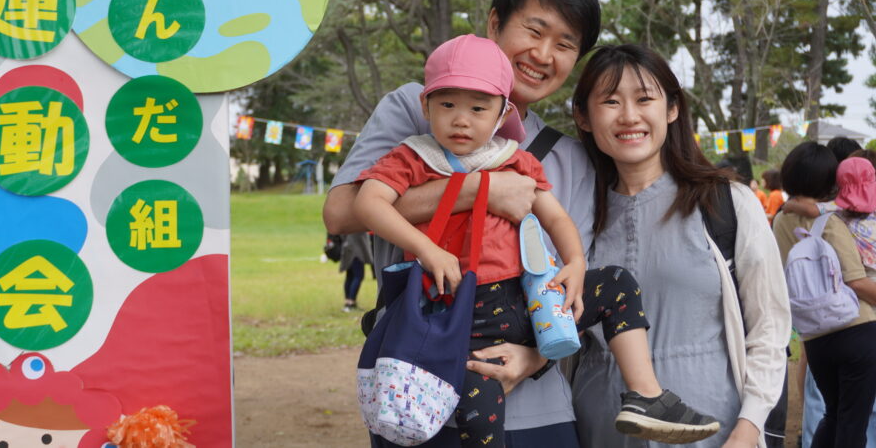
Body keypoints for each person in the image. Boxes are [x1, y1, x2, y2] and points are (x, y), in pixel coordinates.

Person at [355, 34, 719, 446]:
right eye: (447, 105)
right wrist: (427, 249)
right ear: (426, 107)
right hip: (462, 318)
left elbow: (556, 218)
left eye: (478, 108)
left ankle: (646, 397)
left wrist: (575, 262)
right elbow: (368, 203)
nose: (461, 120)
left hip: (528, 303)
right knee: (480, 413)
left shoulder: (515, 160)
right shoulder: (412, 158)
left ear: (502, 114)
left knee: (616, 285)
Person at [325, 0, 601, 446]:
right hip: (418, 395)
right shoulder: (415, 110)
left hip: (540, 411)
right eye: (534, 31)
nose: (543, 54)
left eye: (565, 44)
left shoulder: (568, 158)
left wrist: (535, 357)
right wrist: (479, 190)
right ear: (495, 24)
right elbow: (342, 212)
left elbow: (574, 282)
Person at [540, 44, 789, 448]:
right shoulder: (572, 218)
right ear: (583, 116)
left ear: (672, 109)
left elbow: (770, 328)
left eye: (644, 99)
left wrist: (748, 429)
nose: (629, 116)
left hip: (715, 432)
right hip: (599, 431)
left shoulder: (726, 203)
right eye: (610, 101)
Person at [772, 144, 876, 447]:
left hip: (815, 335)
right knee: (853, 424)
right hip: (856, 329)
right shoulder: (833, 221)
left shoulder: (781, 219)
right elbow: (856, 281)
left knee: (833, 415)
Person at [339, 231, 373, 311]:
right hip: (356, 251)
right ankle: (351, 302)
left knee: (350, 276)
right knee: (358, 276)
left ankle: (348, 302)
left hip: (348, 248)